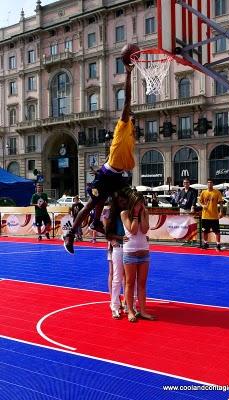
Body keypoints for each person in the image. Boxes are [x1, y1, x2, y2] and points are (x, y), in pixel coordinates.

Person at [63, 64, 135, 254]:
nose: (131, 116)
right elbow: (127, 100)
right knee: (91, 203)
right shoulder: (122, 127)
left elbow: (118, 158)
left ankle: (98, 224)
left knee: (126, 199)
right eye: (130, 114)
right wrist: (128, 74)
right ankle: (70, 234)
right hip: (107, 175)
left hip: (116, 175)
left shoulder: (131, 136)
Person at [121, 191, 155, 322]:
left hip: (144, 253)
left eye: (141, 203)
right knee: (129, 283)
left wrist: (142, 214)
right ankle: (130, 311)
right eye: (137, 203)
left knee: (142, 284)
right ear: (132, 203)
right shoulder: (124, 214)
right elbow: (133, 230)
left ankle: (143, 311)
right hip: (130, 253)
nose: (139, 206)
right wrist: (135, 216)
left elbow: (145, 229)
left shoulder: (144, 212)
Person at [105, 190, 130, 319]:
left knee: (129, 279)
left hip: (129, 248)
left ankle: (127, 303)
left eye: (125, 200)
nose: (123, 202)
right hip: (119, 248)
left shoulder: (130, 213)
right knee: (117, 278)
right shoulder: (113, 215)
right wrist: (117, 238)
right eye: (120, 201)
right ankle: (114, 305)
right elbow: (107, 233)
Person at [198, 179, 224, 251]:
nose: (209, 184)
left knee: (217, 232)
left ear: (213, 184)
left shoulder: (217, 192)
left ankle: (218, 245)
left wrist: (221, 212)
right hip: (205, 216)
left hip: (214, 216)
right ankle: (206, 244)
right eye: (208, 183)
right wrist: (203, 205)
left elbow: (221, 203)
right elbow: (199, 201)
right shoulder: (203, 192)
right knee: (205, 231)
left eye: (211, 183)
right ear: (207, 184)